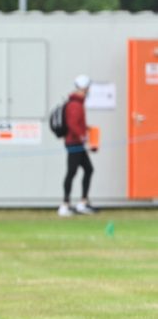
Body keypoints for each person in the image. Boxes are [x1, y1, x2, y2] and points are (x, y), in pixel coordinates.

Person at [59, 75, 97, 217]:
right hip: (74, 144)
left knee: (88, 169)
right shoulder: (75, 104)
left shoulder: (78, 103)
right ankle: (65, 205)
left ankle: (83, 202)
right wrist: (83, 135)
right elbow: (72, 124)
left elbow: (77, 123)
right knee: (72, 172)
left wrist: (85, 129)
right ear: (84, 88)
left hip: (77, 143)